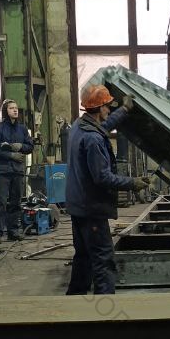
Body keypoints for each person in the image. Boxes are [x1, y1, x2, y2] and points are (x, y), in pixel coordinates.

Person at [65, 84, 150, 295]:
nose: (109, 110)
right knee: (103, 260)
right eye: (108, 106)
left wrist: (125, 110)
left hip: (77, 206)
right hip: (92, 209)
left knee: (83, 256)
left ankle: (74, 301)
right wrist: (132, 183)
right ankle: (105, 307)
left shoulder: (78, 126)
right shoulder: (93, 139)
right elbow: (102, 177)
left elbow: (104, 126)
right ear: (99, 108)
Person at [0, 99, 34, 243]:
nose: (15, 110)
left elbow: (30, 146)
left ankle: (13, 231)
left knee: (16, 202)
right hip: (2, 172)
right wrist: (10, 155)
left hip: (17, 171)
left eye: (16, 108)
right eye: (11, 108)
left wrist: (21, 147)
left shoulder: (22, 129)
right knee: (0, 202)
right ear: (5, 111)